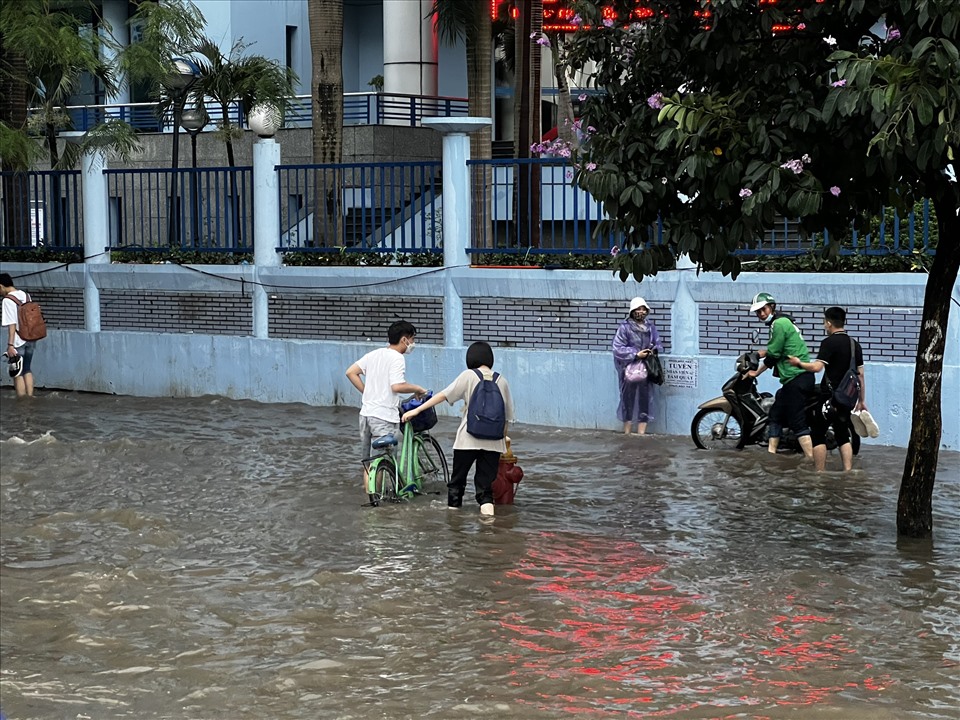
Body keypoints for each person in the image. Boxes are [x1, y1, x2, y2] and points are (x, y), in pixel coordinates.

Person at [401, 341, 514, 517]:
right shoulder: (502, 380)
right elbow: (507, 419)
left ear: (471, 358)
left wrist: (417, 409)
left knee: (457, 483)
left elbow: (443, 395)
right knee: (485, 490)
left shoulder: (469, 376)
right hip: (493, 442)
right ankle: (490, 530)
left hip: (467, 440)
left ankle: (454, 525)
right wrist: (500, 444)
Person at [345, 320, 427, 490]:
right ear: (404, 339)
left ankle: (370, 499)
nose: (412, 344)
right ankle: (379, 501)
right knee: (382, 459)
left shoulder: (374, 354)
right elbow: (397, 386)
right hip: (383, 417)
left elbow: (351, 372)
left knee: (369, 463)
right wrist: (418, 388)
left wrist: (368, 393)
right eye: (412, 339)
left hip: (365, 415)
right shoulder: (397, 358)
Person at [787, 306, 866, 471]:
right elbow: (861, 376)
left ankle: (820, 474)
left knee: (817, 434)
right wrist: (861, 401)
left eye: (824, 322)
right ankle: (848, 471)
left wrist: (799, 363)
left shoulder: (828, 343)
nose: (824, 326)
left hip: (829, 397)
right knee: (842, 434)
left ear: (829, 323)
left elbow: (817, 367)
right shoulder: (854, 345)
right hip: (847, 398)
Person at [746, 292, 814, 459]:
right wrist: (762, 352)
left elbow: (774, 355)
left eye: (763, 309)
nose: (761, 314)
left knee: (797, 421)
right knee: (775, 414)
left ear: (772, 307)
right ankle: (771, 456)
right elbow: (780, 347)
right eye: (758, 312)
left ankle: (812, 462)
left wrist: (756, 372)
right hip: (796, 379)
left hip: (797, 378)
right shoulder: (782, 322)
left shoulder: (779, 324)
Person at [612, 297, 663, 435]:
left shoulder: (651, 328)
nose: (641, 312)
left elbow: (658, 344)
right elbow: (617, 348)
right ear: (632, 311)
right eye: (638, 309)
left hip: (646, 369)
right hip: (628, 370)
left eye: (643, 309)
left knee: (644, 400)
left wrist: (652, 350)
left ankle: (641, 434)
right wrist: (635, 354)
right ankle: (627, 432)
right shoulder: (625, 328)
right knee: (627, 400)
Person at [1, 273, 36, 398]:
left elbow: (12, 324)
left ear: (1, 286)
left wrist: (10, 345)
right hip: (31, 337)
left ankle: (21, 401)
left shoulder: (7, 300)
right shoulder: (26, 295)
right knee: (27, 368)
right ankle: (30, 397)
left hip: (17, 340)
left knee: (17, 373)